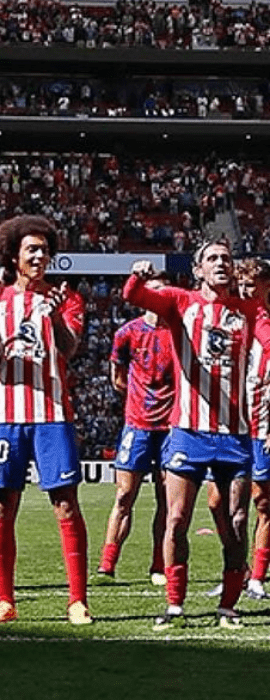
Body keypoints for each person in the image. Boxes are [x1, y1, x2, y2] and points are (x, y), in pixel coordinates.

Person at [124, 240, 261, 629]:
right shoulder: (179, 302)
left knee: (236, 521)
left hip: (235, 435)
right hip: (188, 432)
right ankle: (174, 605)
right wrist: (137, 277)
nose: (221, 263)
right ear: (197, 269)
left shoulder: (249, 310)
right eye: (212, 258)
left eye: (226, 259)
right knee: (177, 518)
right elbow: (134, 297)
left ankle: (228, 606)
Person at [0, 216, 92, 626]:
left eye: (45, 250)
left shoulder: (65, 299)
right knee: (2, 505)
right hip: (5, 417)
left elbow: (69, 349)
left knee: (65, 504)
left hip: (52, 415)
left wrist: (55, 317)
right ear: (14, 257)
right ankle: (5, 601)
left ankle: (77, 600)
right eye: (32, 250)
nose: (40, 256)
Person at [95, 275, 173, 586]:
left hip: (171, 428)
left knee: (168, 500)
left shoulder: (179, 332)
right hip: (137, 425)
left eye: (162, 292)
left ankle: (159, 565)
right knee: (125, 494)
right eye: (152, 292)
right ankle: (107, 565)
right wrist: (140, 401)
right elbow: (117, 377)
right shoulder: (127, 333)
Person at [239, 259, 270, 600]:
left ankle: (257, 577)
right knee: (222, 503)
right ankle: (237, 572)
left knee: (262, 502)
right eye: (242, 284)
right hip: (230, 426)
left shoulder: (264, 324)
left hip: (261, 426)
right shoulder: (233, 321)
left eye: (252, 284)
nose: (245, 290)